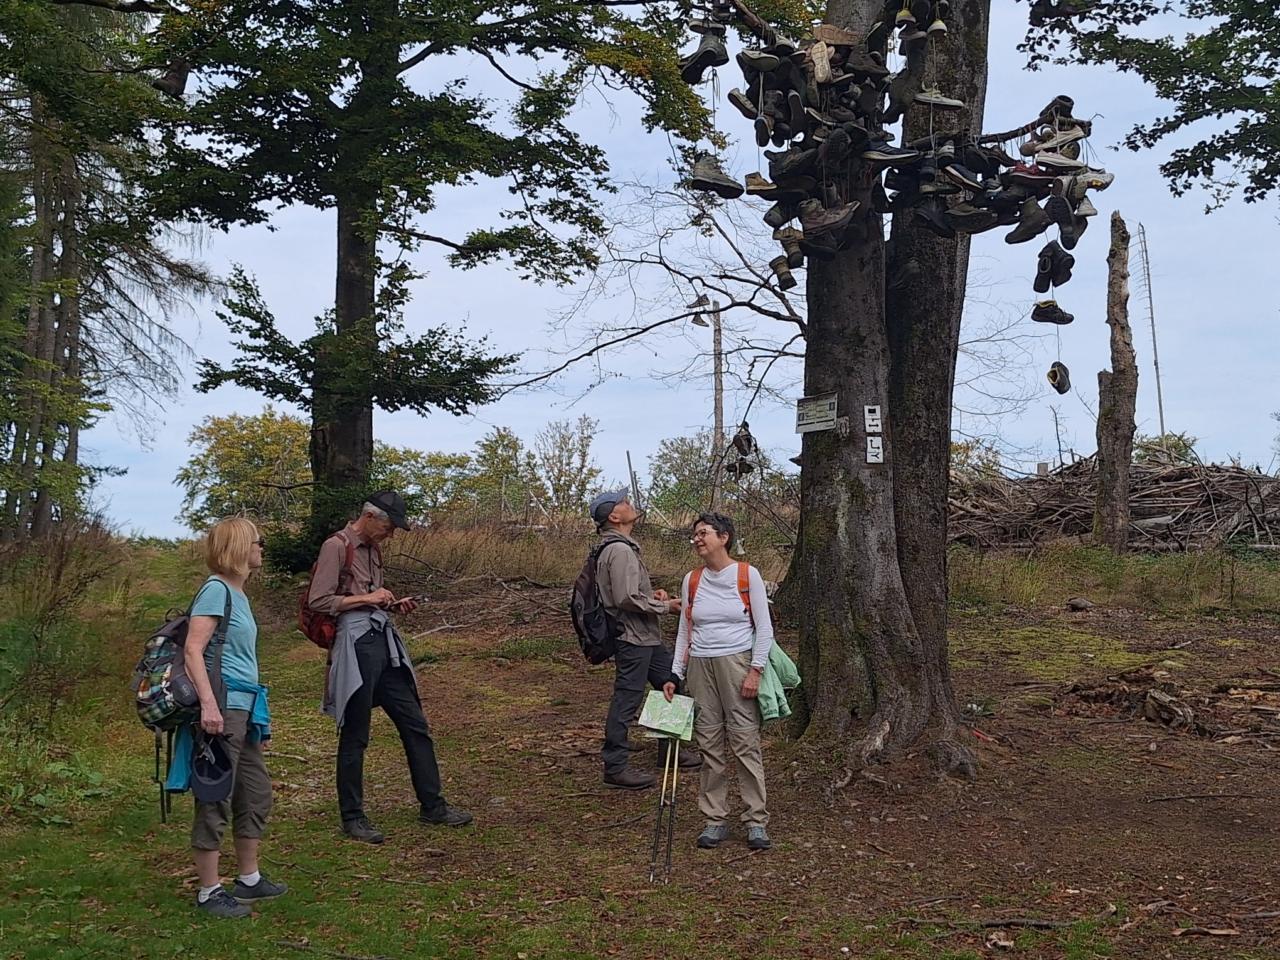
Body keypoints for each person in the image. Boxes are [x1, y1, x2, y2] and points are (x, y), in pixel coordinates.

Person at [308, 490, 472, 843]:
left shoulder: (374, 549)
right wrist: (369, 598)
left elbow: (369, 598)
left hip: (383, 641)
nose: (392, 533)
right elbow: (318, 600)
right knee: (356, 733)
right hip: (356, 645)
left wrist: (391, 604)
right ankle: (353, 818)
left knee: (416, 725)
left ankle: (433, 806)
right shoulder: (336, 546)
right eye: (389, 526)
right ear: (369, 517)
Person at [183, 517, 284, 918]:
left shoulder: (238, 594)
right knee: (216, 795)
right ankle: (209, 891)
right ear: (239, 547)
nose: (262, 548)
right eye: (257, 541)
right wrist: (209, 705)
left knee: (255, 792)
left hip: (245, 707)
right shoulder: (216, 590)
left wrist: (259, 718)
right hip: (223, 707)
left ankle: (249, 879)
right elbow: (193, 650)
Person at [663, 512, 775, 851]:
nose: (697, 539)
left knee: (745, 741)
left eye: (704, 533)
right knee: (709, 743)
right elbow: (685, 631)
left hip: (737, 663)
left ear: (724, 537)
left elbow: (764, 627)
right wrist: (675, 674)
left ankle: (756, 821)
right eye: (695, 534)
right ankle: (714, 819)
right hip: (700, 666)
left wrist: (755, 670)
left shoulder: (747, 575)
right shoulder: (692, 580)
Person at [591, 489, 701, 790]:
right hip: (632, 638)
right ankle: (615, 767)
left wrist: (652, 596)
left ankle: (670, 752)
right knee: (627, 699)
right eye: (624, 502)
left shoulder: (620, 547)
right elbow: (624, 598)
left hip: (644, 637)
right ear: (614, 516)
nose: (630, 504)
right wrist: (665, 607)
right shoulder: (619, 550)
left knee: (671, 683)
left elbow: (626, 593)